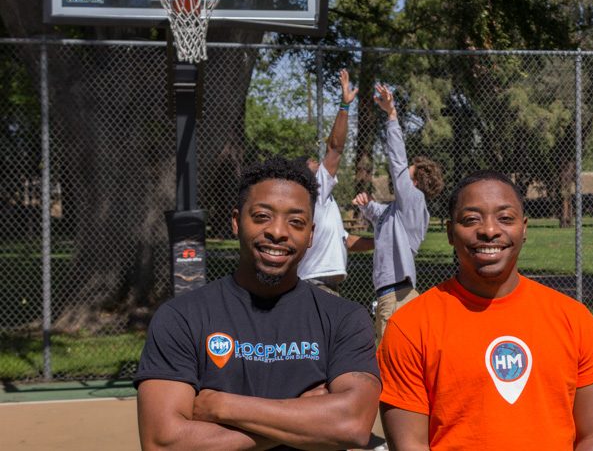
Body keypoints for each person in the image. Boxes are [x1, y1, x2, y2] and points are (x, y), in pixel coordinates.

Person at [135, 157, 381, 450]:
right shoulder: (181, 317)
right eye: (262, 216)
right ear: (237, 222)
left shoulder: (345, 319)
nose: (278, 231)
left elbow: (352, 425)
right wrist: (301, 416)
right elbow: (162, 442)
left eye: (296, 222)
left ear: (311, 234)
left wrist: (222, 406)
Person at [377, 170, 593, 450]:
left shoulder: (573, 319)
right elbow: (410, 444)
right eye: (471, 219)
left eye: (505, 218)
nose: (489, 230)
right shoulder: (409, 326)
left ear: (524, 228)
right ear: (449, 232)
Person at [351, 83, 444, 342]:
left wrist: (391, 116)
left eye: (408, 173)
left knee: (388, 365)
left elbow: (397, 161)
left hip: (396, 297)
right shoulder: (400, 210)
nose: (402, 175)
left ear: (415, 182)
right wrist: (366, 203)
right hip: (390, 295)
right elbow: (381, 216)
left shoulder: (414, 199)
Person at [298, 69, 373, 296]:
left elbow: (347, 241)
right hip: (314, 284)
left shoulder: (325, 202)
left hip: (324, 285)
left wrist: (384, 241)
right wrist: (345, 105)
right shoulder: (315, 192)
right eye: (313, 162)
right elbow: (335, 148)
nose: (318, 163)